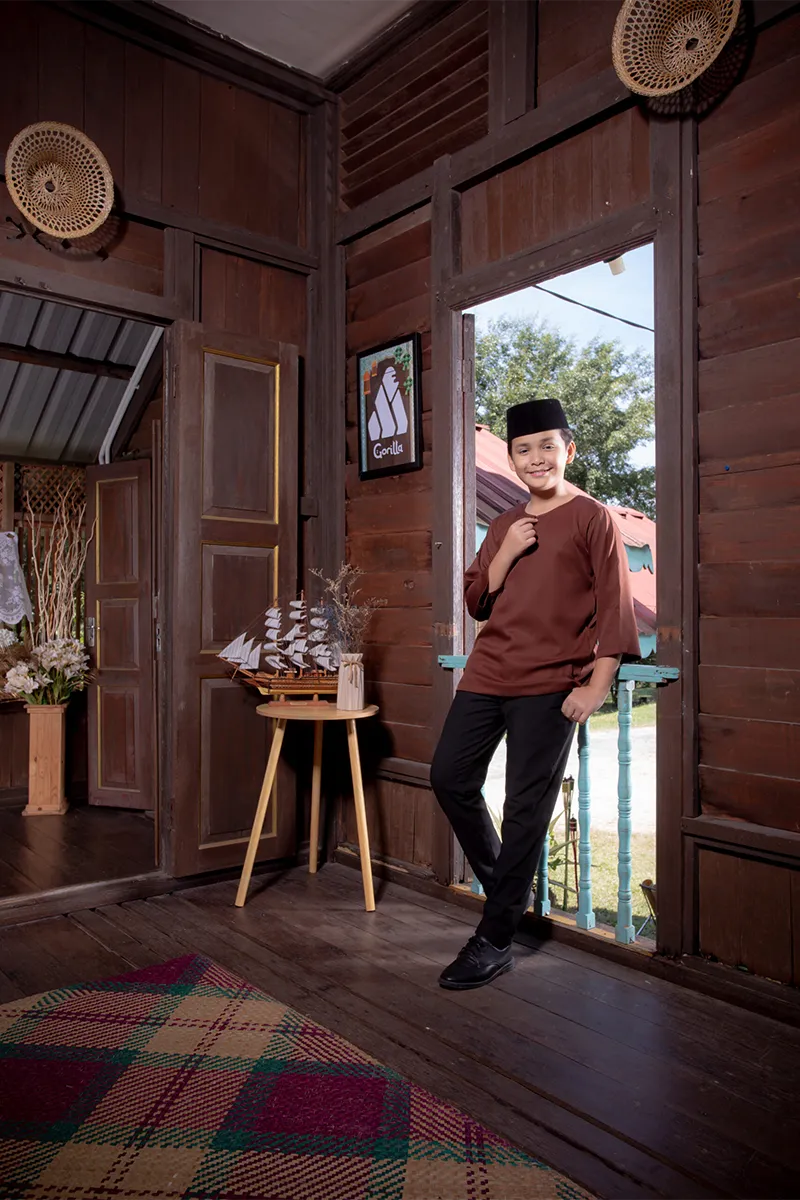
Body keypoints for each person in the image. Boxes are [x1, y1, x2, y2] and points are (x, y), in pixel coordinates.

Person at [430, 397, 640, 990]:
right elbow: (477, 601)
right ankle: (509, 892)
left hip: (551, 684)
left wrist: (596, 687)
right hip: (488, 672)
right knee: (448, 776)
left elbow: (616, 609)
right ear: (513, 459)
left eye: (547, 446)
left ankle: (495, 937)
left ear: (568, 450)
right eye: (523, 449)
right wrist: (506, 552)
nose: (536, 458)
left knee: (525, 808)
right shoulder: (504, 525)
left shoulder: (594, 518)